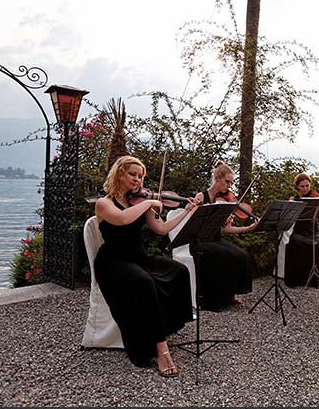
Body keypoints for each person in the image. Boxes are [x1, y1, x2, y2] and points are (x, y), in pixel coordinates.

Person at [94, 155, 199, 378]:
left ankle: (165, 327)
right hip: (113, 261)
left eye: (140, 176)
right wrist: (150, 203)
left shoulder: (139, 202)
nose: (137, 179)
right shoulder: (104, 203)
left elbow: (160, 229)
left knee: (179, 270)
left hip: (138, 257)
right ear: (119, 173)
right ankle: (160, 349)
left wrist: (187, 211)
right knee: (143, 281)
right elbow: (122, 219)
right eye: (132, 174)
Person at [190, 160, 259, 311]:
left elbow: (226, 230)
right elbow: (194, 224)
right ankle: (212, 300)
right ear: (217, 179)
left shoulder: (225, 201)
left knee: (241, 255)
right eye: (227, 182)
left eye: (231, 183)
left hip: (215, 239)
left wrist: (247, 228)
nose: (229, 186)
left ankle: (229, 294)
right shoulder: (201, 197)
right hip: (199, 241)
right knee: (221, 255)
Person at [281, 173, 319, 288]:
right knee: (296, 241)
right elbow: (288, 219)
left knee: (317, 244)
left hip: (313, 231)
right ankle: (300, 279)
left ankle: (315, 278)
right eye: (302, 186)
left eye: (307, 186)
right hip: (298, 232)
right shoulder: (294, 200)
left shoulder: (315, 198)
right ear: (297, 187)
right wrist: (291, 205)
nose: (305, 189)